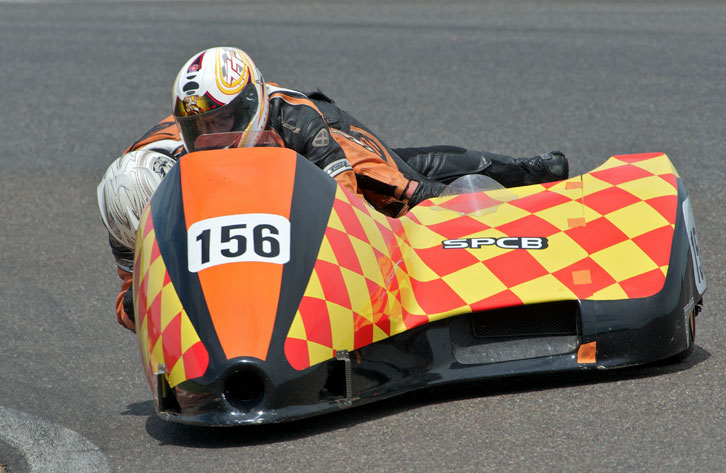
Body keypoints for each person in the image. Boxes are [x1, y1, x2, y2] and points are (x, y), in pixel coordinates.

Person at [98, 46, 569, 330]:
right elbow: (128, 303)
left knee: (403, 190)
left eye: (223, 119)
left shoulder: (297, 120)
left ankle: (520, 175)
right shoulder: (131, 192)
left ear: (250, 106)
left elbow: (346, 208)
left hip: (324, 145)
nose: (212, 134)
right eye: (198, 125)